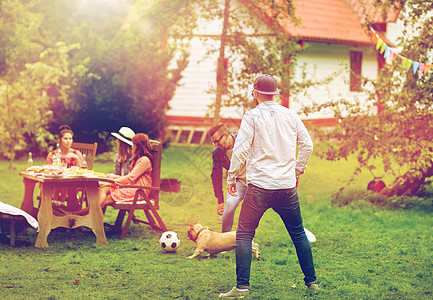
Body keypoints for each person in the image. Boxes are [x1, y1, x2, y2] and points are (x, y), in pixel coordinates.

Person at [219, 74, 318, 298]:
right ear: (275, 94)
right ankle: (312, 283)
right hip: (286, 188)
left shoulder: (251, 116)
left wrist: (231, 177)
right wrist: (296, 171)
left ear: (255, 93)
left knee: (244, 235)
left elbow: (241, 150)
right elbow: (308, 146)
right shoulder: (291, 115)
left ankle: (242, 288)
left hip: (260, 189)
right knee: (298, 234)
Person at [73, 133, 153, 215]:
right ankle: (88, 215)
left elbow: (130, 178)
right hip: (133, 187)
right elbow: (131, 177)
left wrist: (112, 182)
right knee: (103, 188)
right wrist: (113, 177)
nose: (132, 146)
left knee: (105, 199)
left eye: (134, 144)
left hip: (139, 191)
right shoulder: (139, 159)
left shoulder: (144, 160)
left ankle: (84, 214)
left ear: (138, 145)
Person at [209, 123, 247, 233]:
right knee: (230, 204)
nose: (215, 145)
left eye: (217, 141)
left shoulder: (244, 140)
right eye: (213, 142)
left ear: (226, 135)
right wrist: (220, 200)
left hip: (256, 181)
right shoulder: (218, 152)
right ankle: (225, 238)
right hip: (239, 183)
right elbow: (216, 176)